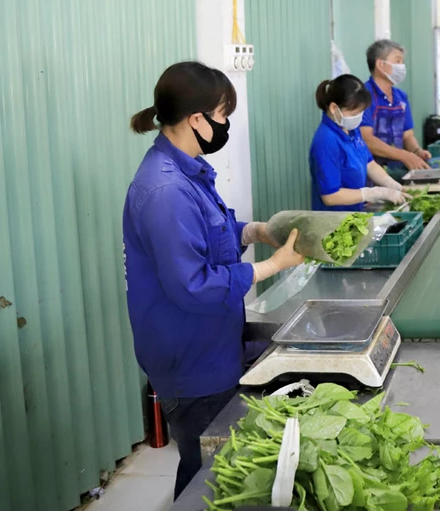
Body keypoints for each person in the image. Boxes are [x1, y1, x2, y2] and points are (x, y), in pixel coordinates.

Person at [123, 62, 305, 499]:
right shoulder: (165, 191)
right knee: (209, 468)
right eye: (223, 114)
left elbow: (210, 238)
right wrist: (271, 266)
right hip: (191, 357)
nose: (226, 125)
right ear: (196, 119)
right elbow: (193, 285)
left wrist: (255, 232)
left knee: (207, 462)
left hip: (209, 343)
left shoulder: (188, 170)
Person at [310, 74, 409, 211]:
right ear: (334, 108)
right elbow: (330, 196)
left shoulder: (351, 129)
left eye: (361, 112)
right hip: (334, 223)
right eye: (353, 113)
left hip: (355, 215)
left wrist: (390, 184)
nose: (358, 118)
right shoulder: (326, 141)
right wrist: (374, 193)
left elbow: (370, 164)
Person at [360, 39, 432, 171]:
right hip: (370, 171)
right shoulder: (363, 96)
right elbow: (366, 139)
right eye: (398, 61)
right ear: (380, 65)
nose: (402, 66)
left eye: (402, 62)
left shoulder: (401, 97)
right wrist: (404, 155)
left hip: (396, 170)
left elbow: (407, 135)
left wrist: (416, 151)